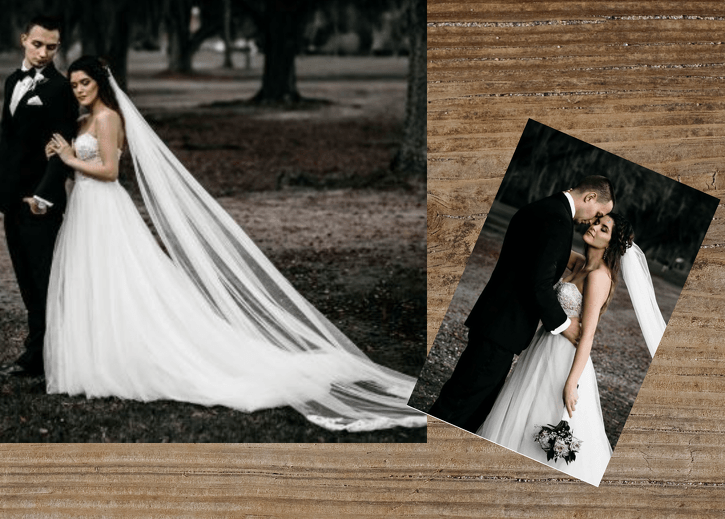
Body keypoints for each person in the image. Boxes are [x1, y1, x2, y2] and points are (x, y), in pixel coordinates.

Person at [41, 55, 427, 432]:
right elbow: (80, 166)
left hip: (106, 208)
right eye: (74, 85)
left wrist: (70, 159)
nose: (79, 90)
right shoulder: (82, 120)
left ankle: (132, 356)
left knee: (124, 281)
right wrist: (65, 157)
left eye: (85, 83)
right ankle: (101, 354)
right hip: (83, 208)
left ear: (100, 82)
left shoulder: (108, 119)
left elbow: (109, 171)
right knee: (96, 283)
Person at [475, 212, 658, 487]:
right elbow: (552, 246)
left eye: (603, 228)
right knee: (523, 406)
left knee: (545, 416)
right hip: (543, 348)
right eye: (597, 221)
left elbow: (588, 335)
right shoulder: (581, 263)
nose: (595, 227)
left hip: (564, 358)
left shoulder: (599, 276)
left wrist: (572, 383)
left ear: (610, 244)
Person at [427, 177, 616, 431]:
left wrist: (594, 262)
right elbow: (538, 283)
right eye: (598, 213)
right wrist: (563, 324)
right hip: (502, 329)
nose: (593, 220)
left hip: (496, 324)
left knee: (475, 408)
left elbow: (544, 259)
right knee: (458, 406)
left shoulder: (545, 208)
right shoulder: (557, 221)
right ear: (590, 197)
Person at [0, 16, 78, 378]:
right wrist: (0, 186)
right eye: (38, 44)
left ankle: (49, 358)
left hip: (39, 204)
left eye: (52, 47)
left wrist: (43, 197)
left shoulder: (61, 90)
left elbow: (63, 148)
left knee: (45, 282)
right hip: (11, 199)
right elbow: (7, 140)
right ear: (24, 39)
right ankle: (35, 355)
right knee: (26, 281)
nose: (44, 53)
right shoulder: (13, 80)